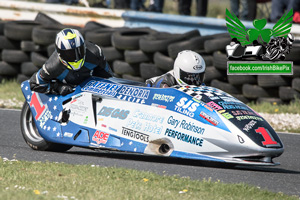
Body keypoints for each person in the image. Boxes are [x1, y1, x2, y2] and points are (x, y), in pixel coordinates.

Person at [30, 28, 113, 96]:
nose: (75, 58)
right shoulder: (52, 66)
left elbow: (108, 78)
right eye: (69, 54)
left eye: (79, 51)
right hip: (66, 94)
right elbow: (34, 84)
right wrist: (58, 88)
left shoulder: (95, 53)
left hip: (89, 90)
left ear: (84, 48)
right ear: (60, 54)